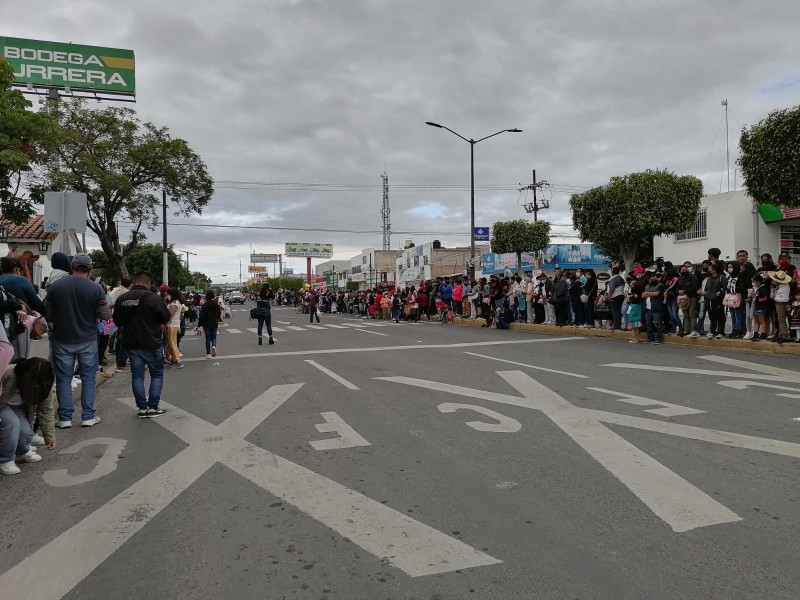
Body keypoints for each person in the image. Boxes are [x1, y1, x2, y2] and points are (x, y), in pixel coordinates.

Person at [45, 254, 109, 428]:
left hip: (62, 337)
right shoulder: (96, 289)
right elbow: (105, 315)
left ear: (72, 266)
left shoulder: (56, 286)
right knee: (88, 377)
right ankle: (88, 416)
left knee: (64, 378)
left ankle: (65, 417)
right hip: (87, 338)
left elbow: (48, 312)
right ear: (89, 269)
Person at [113, 271, 172, 418]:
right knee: (156, 374)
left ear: (134, 282)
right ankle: (153, 406)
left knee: (137, 376)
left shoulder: (122, 298)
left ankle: (142, 408)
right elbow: (165, 316)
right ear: (148, 283)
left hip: (131, 343)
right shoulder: (153, 298)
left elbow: (117, 321)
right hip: (152, 342)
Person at [0, 354, 57, 475]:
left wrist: (49, 437)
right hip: (2, 403)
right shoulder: (8, 373)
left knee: (26, 431)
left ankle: (22, 451)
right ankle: (6, 460)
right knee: (12, 424)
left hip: (17, 406)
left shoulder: (45, 385)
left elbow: (46, 410)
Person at [0, 256, 46, 362]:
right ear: (17, 270)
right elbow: (37, 304)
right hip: (18, 324)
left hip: (1, 325)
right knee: (19, 359)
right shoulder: (21, 280)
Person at [700, 262, 727, 339]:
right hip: (709, 300)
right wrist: (705, 294)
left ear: (714, 269)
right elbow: (706, 289)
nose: (708, 269)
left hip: (718, 300)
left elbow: (724, 288)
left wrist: (719, 293)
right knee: (712, 317)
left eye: (710, 268)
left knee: (720, 316)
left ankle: (720, 332)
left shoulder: (722, 277)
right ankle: (712, 331)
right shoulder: (708, 278)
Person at [642, 271, 665, 344]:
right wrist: (650, 294)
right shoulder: (647, 286)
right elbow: (643, 295)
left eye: (654, 278)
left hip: (656, 307)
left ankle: (659, 339)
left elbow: (656, 293)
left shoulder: (660, 285)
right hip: (647, 308)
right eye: (651, 278)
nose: (653, 279)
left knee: (658, 323)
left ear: (657, 278)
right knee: (648, 324)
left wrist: (648, 293)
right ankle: (650, 338)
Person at [198, 290, 222, 358]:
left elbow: (201, 316)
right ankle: (214, 346)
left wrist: (199, 325)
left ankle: (208, 353)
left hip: (206, 324)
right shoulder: (216, 304)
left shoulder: (204, 305)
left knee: (207, 338)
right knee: (214, 337)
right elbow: (219, 314)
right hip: (214, 323)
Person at [164, 288, 184, 368]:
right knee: (170, 343)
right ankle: (173, 360)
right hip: (172, 325)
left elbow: (170, 314)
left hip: (172, 325)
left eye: (168, 294)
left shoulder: (175, 303)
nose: (167, 295)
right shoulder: (173, 302)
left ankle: (177, 360)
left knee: (172, 343)